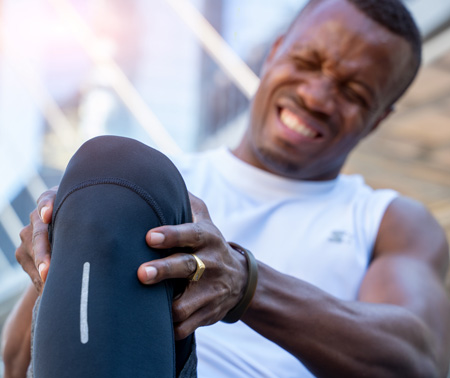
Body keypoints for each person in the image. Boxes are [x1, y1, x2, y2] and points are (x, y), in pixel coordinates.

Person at [3, 0, 450, 376]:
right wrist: (61, 257)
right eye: (307, 62)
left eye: (353, 91)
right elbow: (17, 362)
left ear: (380, 118)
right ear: (275, 52)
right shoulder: (145, 186)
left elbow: (421, 358)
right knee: (110, 167)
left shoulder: (387, 219)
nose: (316, 96)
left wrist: (247, 284)